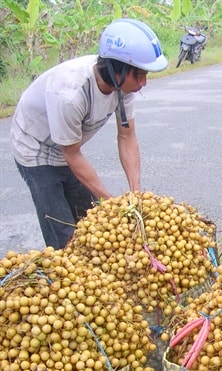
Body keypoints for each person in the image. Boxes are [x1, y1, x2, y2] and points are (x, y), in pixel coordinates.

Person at [10, 18, 168, 250]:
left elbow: (127, 136)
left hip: (67, 146)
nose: (143, 83)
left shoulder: (123, 86)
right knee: (64, 233)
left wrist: (135, 195)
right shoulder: (70, 93)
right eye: (139, 75)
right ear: (117, 69)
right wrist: (111, 200)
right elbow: (71, 155)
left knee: (92, 220)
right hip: (35, 149)